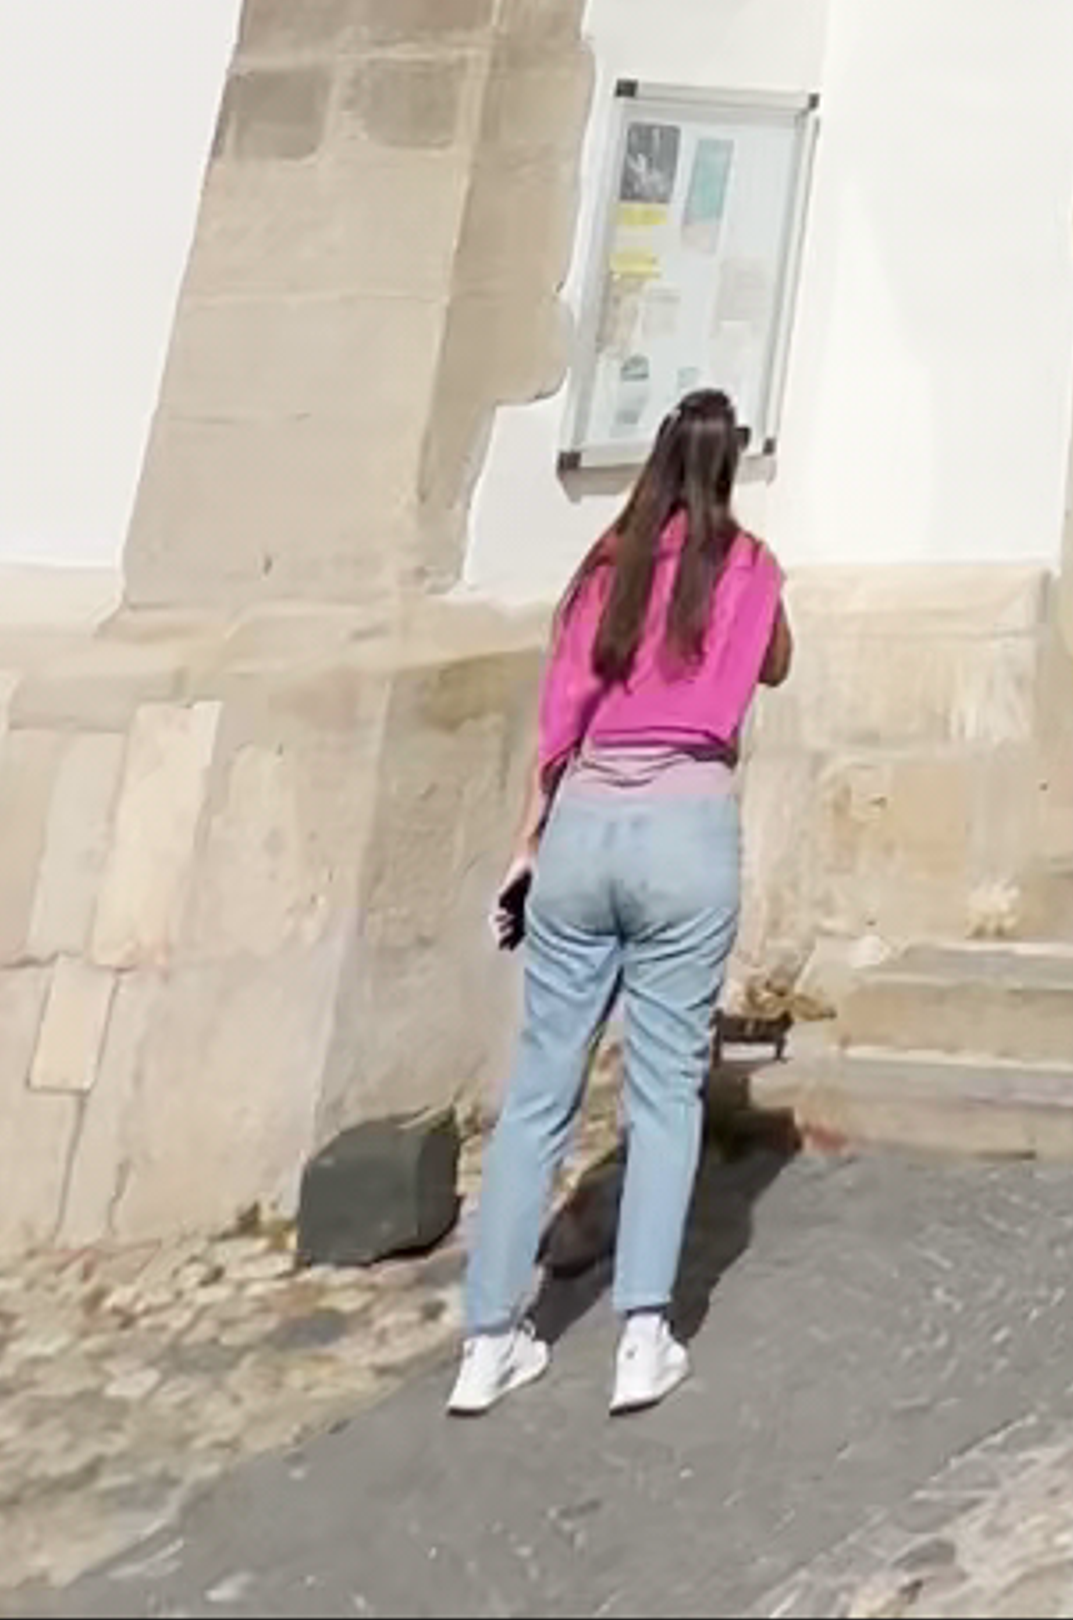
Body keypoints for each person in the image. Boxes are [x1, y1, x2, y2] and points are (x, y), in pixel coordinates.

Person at [451, 385, 789, 1422]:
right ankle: (643, 1336)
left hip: (586, 819)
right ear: (729, 466)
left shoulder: (605, 567)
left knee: (540, 1094)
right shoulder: (751, 565)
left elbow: (559, 716)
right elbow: (771, 660)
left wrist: (527, 842)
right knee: (664, 1091)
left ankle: (487, 1341)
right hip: (687, 826)